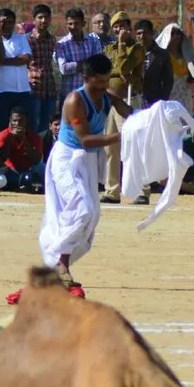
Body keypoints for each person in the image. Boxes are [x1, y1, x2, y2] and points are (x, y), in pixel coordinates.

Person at [39, 53, 133, 289]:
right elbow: (86, 141)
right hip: (67, 159)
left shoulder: (108, 96)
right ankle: (60, 263)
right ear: (86, 78)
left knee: (92, 218)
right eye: (99, 82)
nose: (104, 86)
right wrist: (121, 136)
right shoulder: (75, 100)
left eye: (107, 81)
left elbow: (130, 112)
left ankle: (61, 263)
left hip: (88, 162)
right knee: (82, 210)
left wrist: (154, 118)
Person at [101, 12, 145, 204]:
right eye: (117, 26)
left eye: (124, 25)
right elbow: (108, 70)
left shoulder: (137, 48)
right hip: (111, 101)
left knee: (133, 146)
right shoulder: (108, 48)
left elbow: (125, 67)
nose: (121, 29)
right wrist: (117, 68)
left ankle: (143, 189)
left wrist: (121, 46)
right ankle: (112, 190)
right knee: (111, 148)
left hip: (128, 101)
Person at [0, 8, 33, 135]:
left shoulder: (21, 38)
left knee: (25, 128)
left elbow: (25, 58)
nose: (7, 25)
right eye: (4, 22)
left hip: (22, 90)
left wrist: (1, 62)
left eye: (10, 22)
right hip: (2, 91)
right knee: (2, 129)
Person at [54, 8, 103, 107]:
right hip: (69, 94)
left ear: (83, 24)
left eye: (76, 23)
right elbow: (64, 69)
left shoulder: (93, 41)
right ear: (66, 24)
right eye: (70, 24)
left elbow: (98, 66)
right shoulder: (61, 44)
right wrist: (87, 63)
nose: (73, 27)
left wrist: (76, 65)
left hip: (90, 94)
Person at [154, 23, 194, 113]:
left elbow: (193, 75)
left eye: (178, 34)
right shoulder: (161, 57)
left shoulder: (186, 56)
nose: (176, 36)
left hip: (184, 98)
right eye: (172, 34)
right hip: (167, 98)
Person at [0, 106, 45, 192]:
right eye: (14, 121)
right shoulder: (3, 135)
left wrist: (24, 138)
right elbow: (2, 157)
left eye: (21, 121)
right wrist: (10, 138)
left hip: (29, 169)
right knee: (0, 175)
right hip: (11, 170)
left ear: (26, 122)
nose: (17, 124)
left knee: (42, 167)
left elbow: (36, 160)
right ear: (10, 121)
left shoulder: (35, 137)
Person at [27, 4, 56, 133]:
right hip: (34, 87)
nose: (44, 21)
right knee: (32, 123)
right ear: (34, 19)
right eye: (40, 17)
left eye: (46, 17)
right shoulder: (27, 40)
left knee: (47, 126)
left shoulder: (52, 39)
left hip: (49, 87)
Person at [135, 20, 172, 108]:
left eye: (145, 33)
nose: (142, 36)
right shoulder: (131, 53)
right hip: (134, 99)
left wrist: (162, 100)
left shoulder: (162, 55)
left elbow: (168, 80)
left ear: (152, 33)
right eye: (139, 33)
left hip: (154, 101)